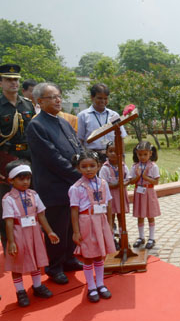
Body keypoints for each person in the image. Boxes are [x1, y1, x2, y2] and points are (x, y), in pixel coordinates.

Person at [26, 82, 83, 285]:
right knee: (57, 228)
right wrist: (79, 177)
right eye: (52, 97)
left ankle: (68, 259)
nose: (58, 100)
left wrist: (85, 165)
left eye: (59, 96)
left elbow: (76, 147)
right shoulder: (37, 125)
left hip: (71, 186)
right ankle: (54, 266)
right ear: (39, 101)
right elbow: (53, 159)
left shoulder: (63, 122)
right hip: (54, 186)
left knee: (70, 225)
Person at [3, 160, 60, 307]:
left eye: (28, 178)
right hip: (18, 234)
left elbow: (41, 215)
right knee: (17, 263)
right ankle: (20, 291)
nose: (25, 182)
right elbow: (9, 221)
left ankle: (37, 286)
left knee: (36, 260)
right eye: (21, 179)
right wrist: (11, 242)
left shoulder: (34, 195)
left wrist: (50, 231)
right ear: (11, 180)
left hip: (34, 232)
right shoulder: (8, 199)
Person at [69, 150, 115, 302]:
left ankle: (101, 283)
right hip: (86, 221)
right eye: (84, 166)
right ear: (78, 168)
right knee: (89, 255)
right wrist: (76, 232)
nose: (88, 169)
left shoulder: (103, 183)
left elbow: (108, 204)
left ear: (99, 166)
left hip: (100, 220)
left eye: (92, 166)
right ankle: (91, 286)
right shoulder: (76, 188)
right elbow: (74, 210)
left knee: (100, 254)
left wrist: (109, 224)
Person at [0, 64, 35, 250]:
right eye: (8, 79)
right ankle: (10, 247)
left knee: (31, 201)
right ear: (1, 82)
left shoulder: (27, 104)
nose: (13, 82)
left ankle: (32, 246)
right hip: (7, 159)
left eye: (15, 79)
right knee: (7, 206)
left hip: (28, 158)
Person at [77, 83, 126, 162]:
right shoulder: (83, 116)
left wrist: (122, 158)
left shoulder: (114, 115)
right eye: (99, 98)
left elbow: (121, 138)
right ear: (92, 97)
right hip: (92, 157)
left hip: (112, 157)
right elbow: (80, 140)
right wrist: (84, 158)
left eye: (105, 98)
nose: (103, 101)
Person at [128, 141, 161, 249]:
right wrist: (138, 176)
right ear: (136, 154)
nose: (142, 157)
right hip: (139, 192)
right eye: (140, 154)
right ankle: (141, 237)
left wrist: (145, 177)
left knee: (150, 215)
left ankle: (151, 238)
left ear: (150, 153)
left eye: (145, 154)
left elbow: (156, 182)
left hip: (149, 192)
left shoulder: (153, 166)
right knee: (140, 215)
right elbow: (131, 181)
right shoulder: (135, 166)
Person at [98, 141, 129, 250]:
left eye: (116, 151)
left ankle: (122, 238)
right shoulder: (105, 168)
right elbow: (103, 183)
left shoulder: (123, 166)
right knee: (110, 218)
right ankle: (111, 240)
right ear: (106, 152)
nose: (113, 154)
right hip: (110, 197)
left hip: (120, 195)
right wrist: (117, 184)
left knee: (121, 217)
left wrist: (122, 183)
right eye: (110, 151)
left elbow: (127, 179)